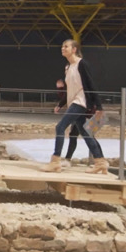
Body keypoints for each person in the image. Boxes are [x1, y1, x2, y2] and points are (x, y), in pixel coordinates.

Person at [41, 39, 107, 174]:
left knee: (60, 127)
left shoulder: (81, 64)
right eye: (62, 46)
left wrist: (99, 106)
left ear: (74, 49)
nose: (62, 48)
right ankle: (100, 162)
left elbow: (91, 84)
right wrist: (61, 104)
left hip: (81, 102)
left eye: (66, 46)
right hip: (73, 102)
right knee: (84, 132)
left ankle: (55, 162)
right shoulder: (68, 67)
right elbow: (69, 90)